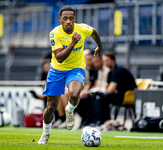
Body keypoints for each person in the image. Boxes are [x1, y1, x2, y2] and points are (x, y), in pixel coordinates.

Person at [38, 5, 102, 144]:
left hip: (76, 68)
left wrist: (99, 46)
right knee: (51, 107)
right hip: (57, 70)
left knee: (74, 94)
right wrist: (73, 43)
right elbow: (59, 57)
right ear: (60, 19)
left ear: (75, 19)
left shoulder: (82, 29)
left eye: (71, 18)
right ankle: (46, 133)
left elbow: (94, 32)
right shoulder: (55, 33)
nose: (68, 21)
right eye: (65, 18)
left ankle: (69, 109)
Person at [90, 51, 137, 127]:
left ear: (113, 60)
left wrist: (104, 90)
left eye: (107, 61)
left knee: (102, 97)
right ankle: (98, 121)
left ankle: (103, 122)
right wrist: (104, 90)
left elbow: (110, 90)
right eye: (104, 61)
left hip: (127, 95)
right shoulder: (110, 72)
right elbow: (106, 86)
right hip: (119, 94)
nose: (105, 63)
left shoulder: (119, 70)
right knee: (97, 96)